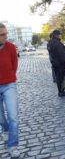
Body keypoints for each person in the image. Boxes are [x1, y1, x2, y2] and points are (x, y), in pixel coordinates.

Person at [0, 23, 20, 157]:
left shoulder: (11, 47)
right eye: (2, 34)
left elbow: (14, 65)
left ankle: (12, 145)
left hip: (9, 85)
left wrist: (9, 76)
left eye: (6, 33)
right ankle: (5, 129)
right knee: (1, 118)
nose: (5, 36)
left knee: (13, 116)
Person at [47, 30, 65, 97]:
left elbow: (51, 54)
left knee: (58, 78)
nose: (60, 35)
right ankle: (61, 92)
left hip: (54, 63)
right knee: (61, 78)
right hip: (60, 64)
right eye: (59, 34)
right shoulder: (58, 44)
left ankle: (60, 91)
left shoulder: (49, 43)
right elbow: (62, 56)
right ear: (56, 35)